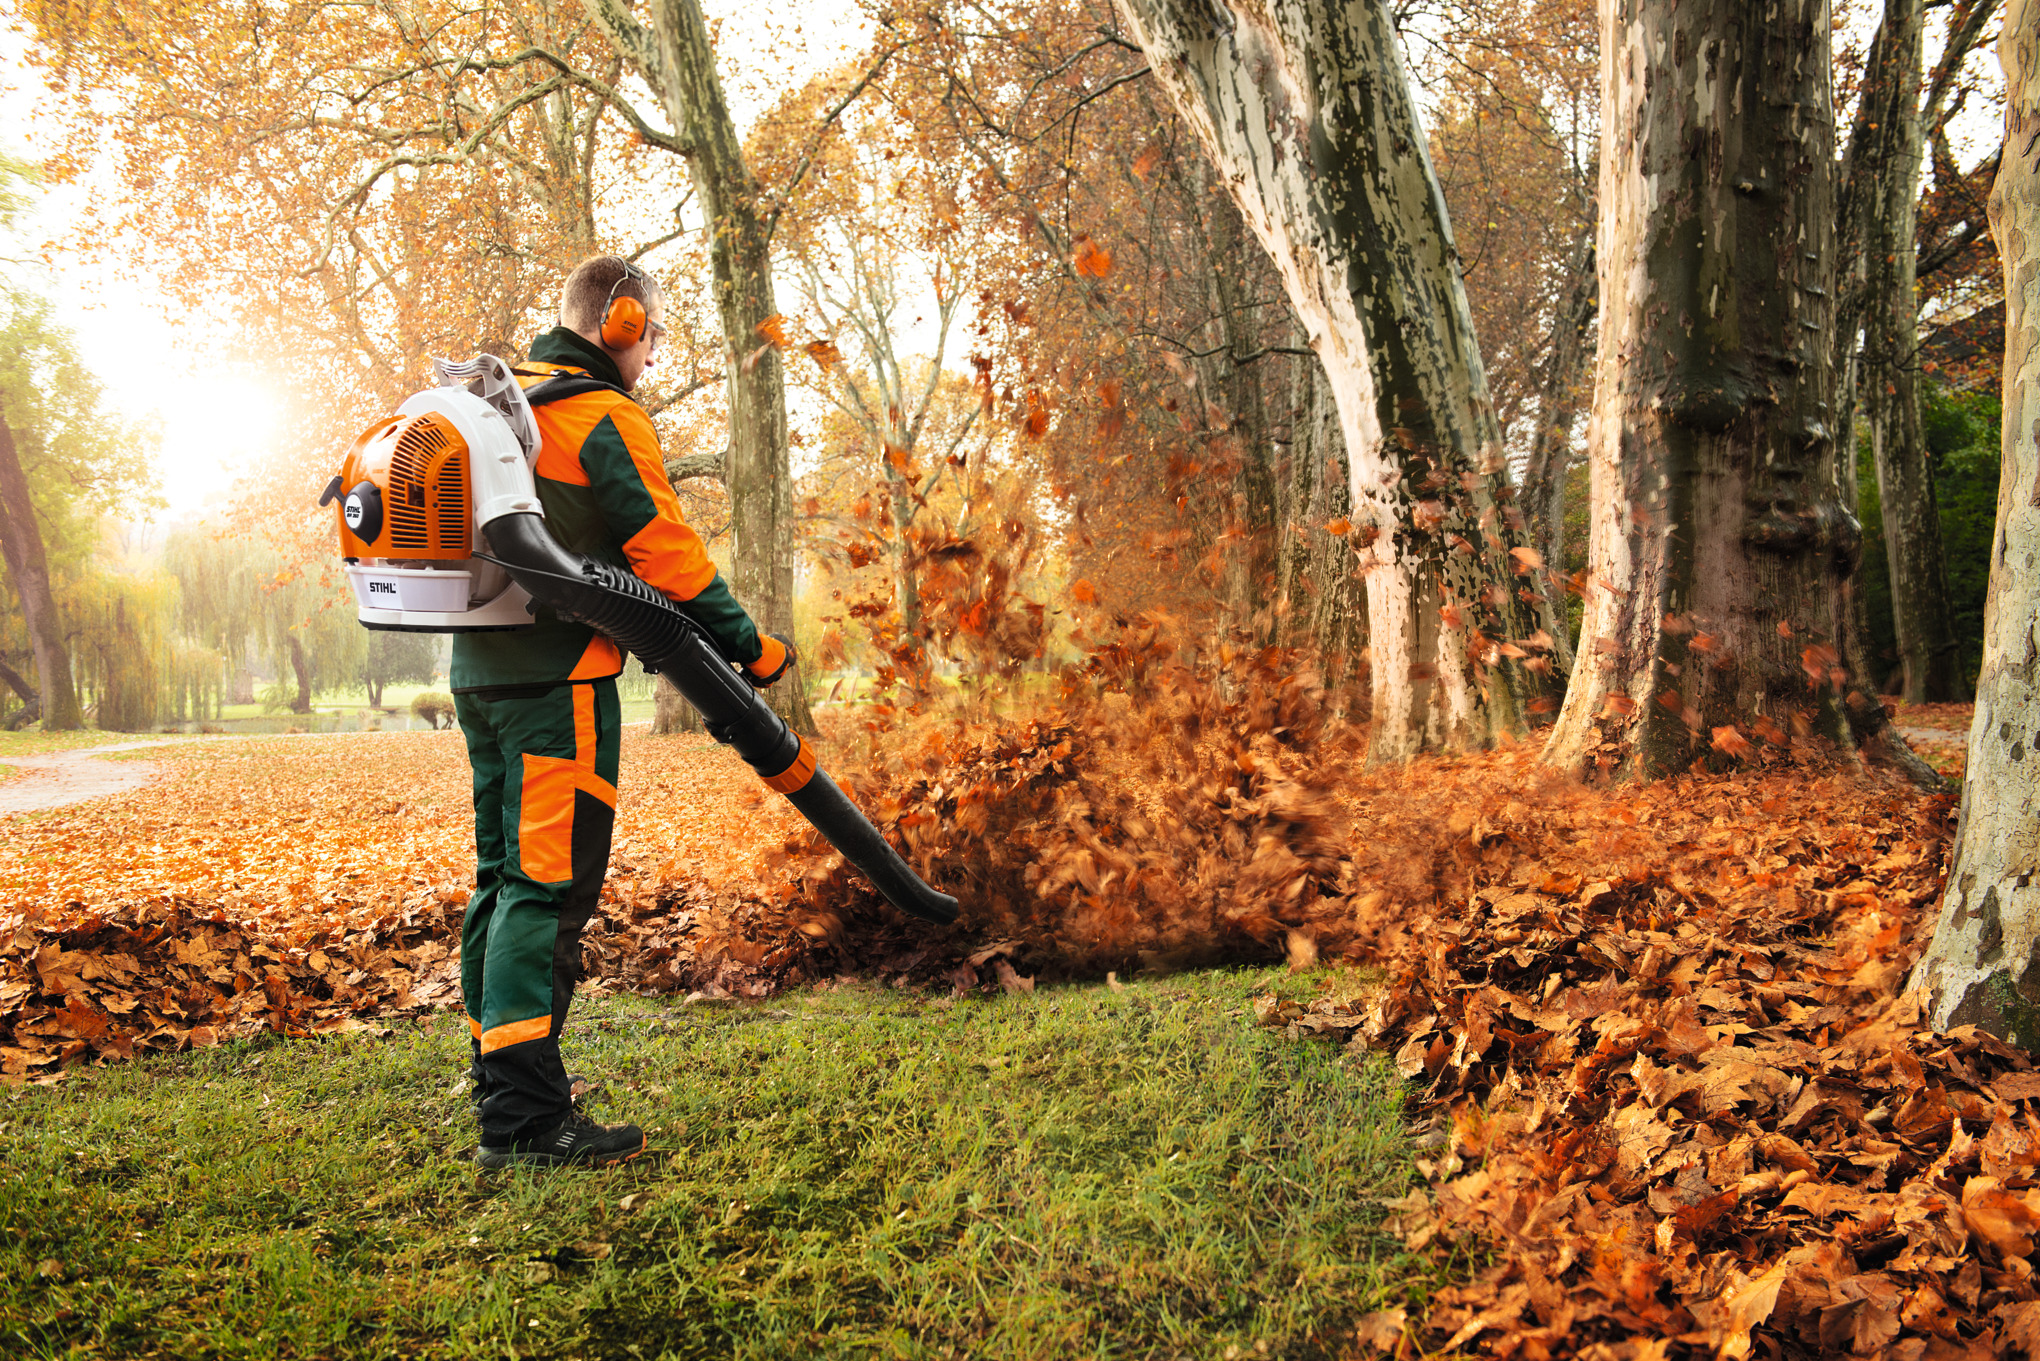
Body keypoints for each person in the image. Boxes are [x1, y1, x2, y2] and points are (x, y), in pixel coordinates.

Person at [453, 255, 794, 1169]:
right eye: (653, 337)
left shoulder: (501, 400)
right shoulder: (601, 414)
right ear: (625, 322)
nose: (651, 356)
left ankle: (501, 1077)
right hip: (559, 683)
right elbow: (666, 551)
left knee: (501, 878)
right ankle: (525, 1120)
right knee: (547, 888)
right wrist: (753, 648)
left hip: (480, 675)